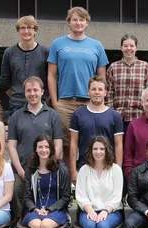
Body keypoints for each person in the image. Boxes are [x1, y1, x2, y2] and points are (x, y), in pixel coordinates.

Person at [8, 77, 65, 228]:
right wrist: (21, 171)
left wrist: (50, 168)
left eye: (35, 90)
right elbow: (12, 146)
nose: (32, 94)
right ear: (24, 93)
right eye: (28, 91)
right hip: (23, 172)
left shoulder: (53, 115)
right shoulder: (16, 116)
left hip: (47, 172)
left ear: (42, 92)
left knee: (47, 207)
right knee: (23, 210)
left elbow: (57, 145)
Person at [47, 7, 109, 169]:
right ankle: (71, 180)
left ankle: (90, 178)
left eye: (82, 20)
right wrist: (55, 102)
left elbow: (101, 78)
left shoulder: (96, 46)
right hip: (65, 103)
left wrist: (100, 101)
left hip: (90, 103)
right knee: (67, 144)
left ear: (87, 23)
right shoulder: (57, 44)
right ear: (69, 22)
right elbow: (51, 75)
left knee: (92, 142)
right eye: (75, 19)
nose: (78, 23)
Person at [20, 135, 71, 228]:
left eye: (47, 147)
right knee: (36, 225)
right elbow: (27, 197)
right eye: (40, 147)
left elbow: (66, 197)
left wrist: (49, 210)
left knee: (46, 225)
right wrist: (35, 209)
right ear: (35, 149)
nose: (44, 150)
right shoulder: (31, 170)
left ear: (52, 149)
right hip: (35, 209)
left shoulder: (61, 169)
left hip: (56, 209)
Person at [75, 137, 124, 228]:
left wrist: (105, 211)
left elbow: (117, 196)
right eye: (95, 148)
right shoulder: (84, 170)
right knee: (90, 225)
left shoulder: (115, 169)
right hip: (88, 210)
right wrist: (90, 210)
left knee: (102, 225)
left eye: (102, 149)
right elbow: (80, 195)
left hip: (112, 211)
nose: (98, 152)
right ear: (90, 151)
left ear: (107, 150)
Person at [69, 76, 124, 183]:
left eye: (100, 89)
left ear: (105, 92)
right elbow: (73, 143)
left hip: (108, 168)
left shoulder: (115, 116)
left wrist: (118, 170)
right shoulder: (78, 115)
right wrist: (73, 170)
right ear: (88, 92)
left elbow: (118, 145)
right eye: (93, 89)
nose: (97, 92)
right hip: (84, 166)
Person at [0, 16, 49, 117]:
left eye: (30, 27)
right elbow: (5, 81)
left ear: (35, 31)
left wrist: (42, 97)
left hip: (41, 105)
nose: (26, 31)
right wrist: (17, 95)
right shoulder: (9, 52)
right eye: (22, 28)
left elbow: (51, 79)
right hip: (16, 106)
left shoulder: (45, 52)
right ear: (18, 31)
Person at [106, 34, 148, 127]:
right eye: (125, 46)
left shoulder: (145, 67)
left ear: (136, 48)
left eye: (132, 46)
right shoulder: (113, 67)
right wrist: (110, 114)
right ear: (121, 48)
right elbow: (109, 93)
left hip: (139, 116)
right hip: (118, 117)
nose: (129, 48)